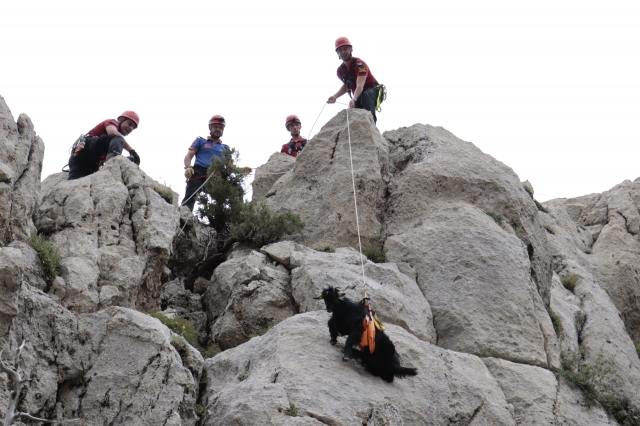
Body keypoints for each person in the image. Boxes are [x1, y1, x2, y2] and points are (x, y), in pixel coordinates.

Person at [67, 111, 141, 180]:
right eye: (130, 124)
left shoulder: (111, 144)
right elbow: (113, 132)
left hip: (80, 160)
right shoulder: (112, 122)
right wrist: (131, 151)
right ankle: (115, 161)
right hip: (87, 148)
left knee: (75, 183)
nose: (131, 128)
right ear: (121, 119)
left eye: (133, 128)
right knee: (119, 139)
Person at [327, 37, 384, 123]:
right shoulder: (340, 71)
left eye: (345, 49)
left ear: (350, 49)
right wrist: (335, 96)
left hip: (373, 89)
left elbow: (360, 85)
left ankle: (371, 125)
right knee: (356, 110)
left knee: (365, 96)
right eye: (340, 50)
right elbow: (347, 86)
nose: (342, 52)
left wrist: (354, 99)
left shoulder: (360, 64)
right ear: (337, 53)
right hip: (359, 95)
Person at [182, 115, 229, 212]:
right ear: (210, 127)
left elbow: (230, 166)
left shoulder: (225, 148)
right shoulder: (200, 141)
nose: (218, 129)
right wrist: (187, 167)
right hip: (198, 172)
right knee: (190, 197)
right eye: (215, 126)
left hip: (216, 175)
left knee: (221, 200)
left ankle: (219, 223)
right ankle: (183, 218)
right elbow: (189, 155)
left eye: (220, 128)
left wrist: (240, 171)